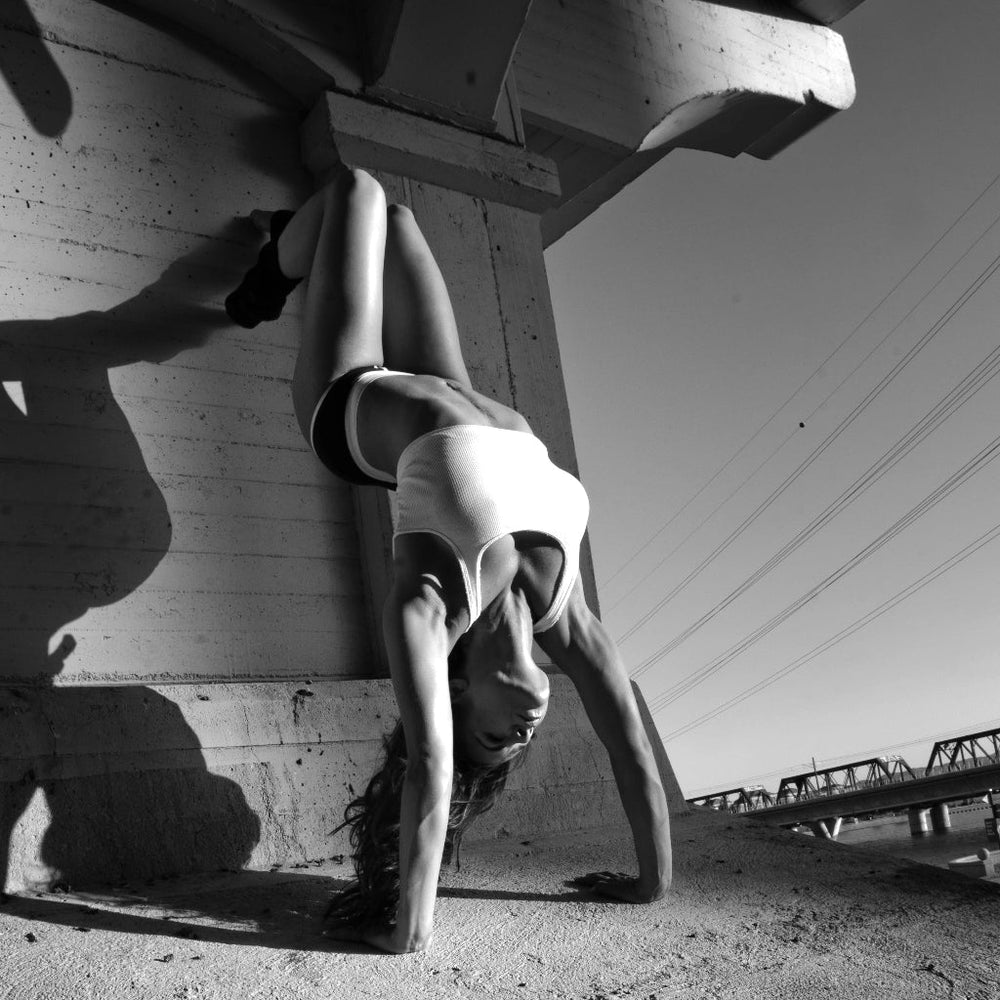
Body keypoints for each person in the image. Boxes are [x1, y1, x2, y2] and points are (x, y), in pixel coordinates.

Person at [225, 166, 672, 953]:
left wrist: (410, 934)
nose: (528, 730)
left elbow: (431, 771)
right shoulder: (563, 610)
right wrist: (651, 884)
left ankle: (267, 278)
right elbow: (630, 745)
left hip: (354, 406)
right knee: (398, 219)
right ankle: (300, 244)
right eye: (517, 746)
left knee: (353, 194)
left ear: (457, 687)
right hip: (466, 410)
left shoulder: (430, 604)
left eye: (497, 738)